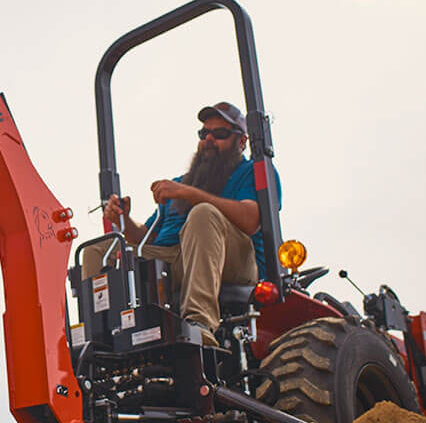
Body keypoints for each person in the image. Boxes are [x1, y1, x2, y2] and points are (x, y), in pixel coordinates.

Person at [81, 101, 282, 346]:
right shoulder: (183, 183)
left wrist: (189, 194)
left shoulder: (251, 172)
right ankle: (98, 339)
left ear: (242, 141)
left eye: (220, 133)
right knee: (97, 250)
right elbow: (148, 238)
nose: (209, 139)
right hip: (175, 258)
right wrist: (123, 220)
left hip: (234, 260)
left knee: (203, 214)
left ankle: (200, 324)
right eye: (204, 133)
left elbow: (251, 221)